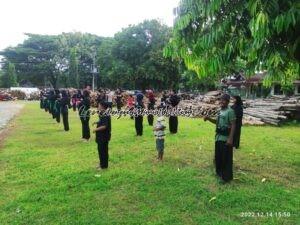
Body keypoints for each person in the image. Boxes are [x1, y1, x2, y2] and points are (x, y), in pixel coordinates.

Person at [204, 94, 236, 183]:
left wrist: (230, 138)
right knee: (218, 157)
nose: (221, 102)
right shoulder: (220, 111)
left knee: (226, 158)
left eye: (224, 100)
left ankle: (226, 177)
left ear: (228, 101)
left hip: (226, 138)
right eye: (220, 100)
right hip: (218, 137)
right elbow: (217, 122)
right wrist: (209, 119)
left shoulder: (230, 111)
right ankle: (219, 173)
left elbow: (233, 125)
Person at [93, 101, 111, 169]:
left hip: (103, 136)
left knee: (103, 151)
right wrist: (96, 122)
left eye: (99, 105)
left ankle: (103, 166)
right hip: (102, 136)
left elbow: (104, 126)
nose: (98, 107)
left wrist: (95, 130)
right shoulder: (103, 113)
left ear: (102, 107)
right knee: (102, 151)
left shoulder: (104, 114)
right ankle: (102, 164)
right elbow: (102, 121)